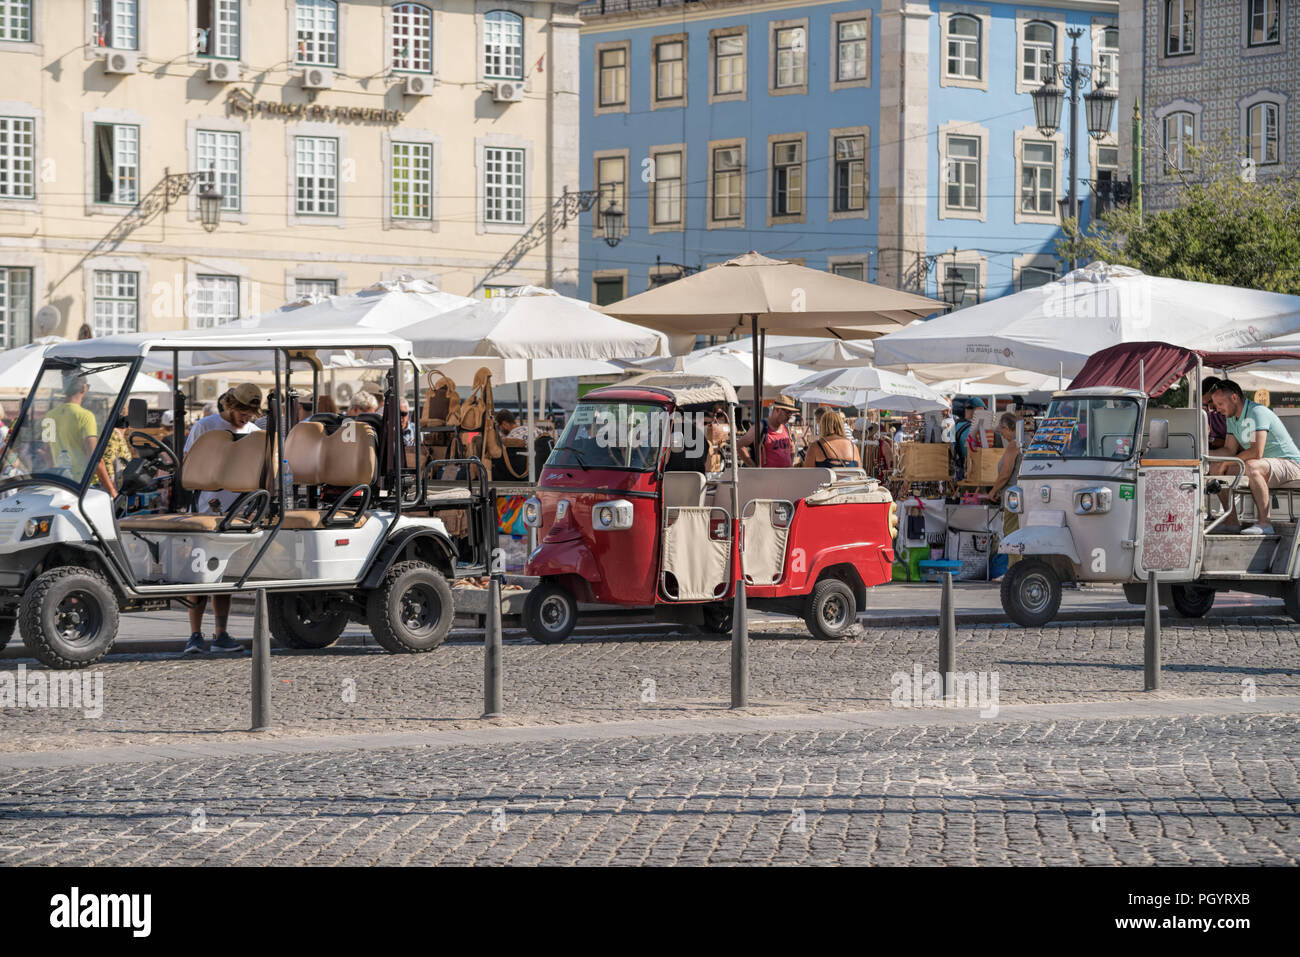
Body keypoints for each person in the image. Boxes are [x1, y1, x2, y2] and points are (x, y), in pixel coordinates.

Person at [181, 383, 263, 655]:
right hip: (207, 505)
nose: (246, 417)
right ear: (231, 405)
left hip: (237, 507)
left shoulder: (254, 432)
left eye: (250, 413)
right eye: (243, 411)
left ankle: (220, 633)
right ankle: (194, 634)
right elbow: (189, 460)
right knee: (201, 575)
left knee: (225, 576)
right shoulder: (207, 426)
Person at [1210, 380, 1300, 535]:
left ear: (1234, 398)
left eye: (1220, 403)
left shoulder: (1257, 411)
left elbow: (1256, 452)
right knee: (1215, 468)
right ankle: (1231, 522)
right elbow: (1229, 450)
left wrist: (1226, 462)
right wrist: (1203, 454)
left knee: (1252, 466)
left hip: (1291, 465)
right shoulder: (1231, 417)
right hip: (1266, 465)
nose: (1217, 409)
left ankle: (1265, 524)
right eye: (1216, 405)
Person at [51, 375, 118, 498]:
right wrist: (111, 490)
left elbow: (45, 453)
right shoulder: (85, 416)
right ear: (84, 388)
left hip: (59, 482)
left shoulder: (50, 415)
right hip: (84, 484)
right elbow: (95, 459)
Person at [987, 413, 1023, 571]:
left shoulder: (1014, 444)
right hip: (1023, 496)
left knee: (1011, 533)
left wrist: (993, 491)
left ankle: (1013, 570)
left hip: (1012, 498)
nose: (1002, 435)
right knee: (1019, 533)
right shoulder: (1027, 440)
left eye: (1002, 431)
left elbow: (1006, 473)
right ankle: (1016, 568)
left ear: (1007, 428)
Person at [737, 394, 799, 467]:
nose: (790, 416)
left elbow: (792, 448)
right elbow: (740, 445)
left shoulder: (786, 427)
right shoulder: (761, 426)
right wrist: (754, 467)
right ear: (777, 409)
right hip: (767, 477)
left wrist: (790, 464)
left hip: (785, 476)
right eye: (788, 412)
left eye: (791, 413)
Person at [1201, 376, 1227, 450]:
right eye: (1205, 404)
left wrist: (1212, 440)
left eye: (1211, 401)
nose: (1210, 408)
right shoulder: (1205, 413)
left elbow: (1238, 446)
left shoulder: (1233, 415)